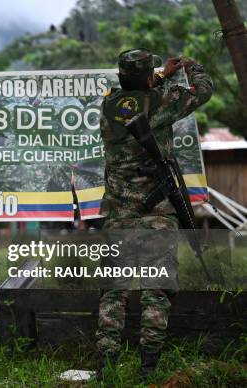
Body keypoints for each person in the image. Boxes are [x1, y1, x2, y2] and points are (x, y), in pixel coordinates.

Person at [96, 48, 212, 380]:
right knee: (155, 290)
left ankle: (106, 365)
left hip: (118, 214)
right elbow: (203, 90)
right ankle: (148, 369)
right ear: (149, 78)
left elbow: (136, 93)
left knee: (113, 291)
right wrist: (191, 67)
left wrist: (159, 74)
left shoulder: (109, 104)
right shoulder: (162, 100)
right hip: (157, 214)